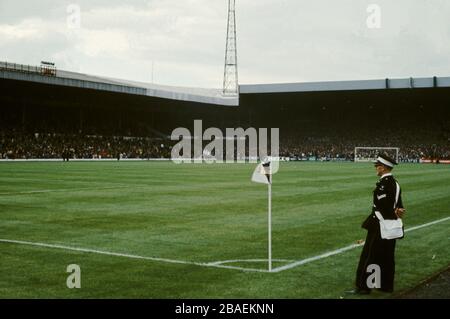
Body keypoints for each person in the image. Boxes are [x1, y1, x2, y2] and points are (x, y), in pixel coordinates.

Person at [352, 153, 406, 294]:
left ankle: (365, 287)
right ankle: (385, 286)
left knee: (372, 256)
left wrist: (393, 212)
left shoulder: (385, 184)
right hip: (388, 226)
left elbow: (385, 206)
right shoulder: (395, 183)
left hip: (381, 225)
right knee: (386, 256)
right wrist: (397, 211)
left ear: (383, 168)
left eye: (377, 166)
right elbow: (398, 205)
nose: (375, 168)